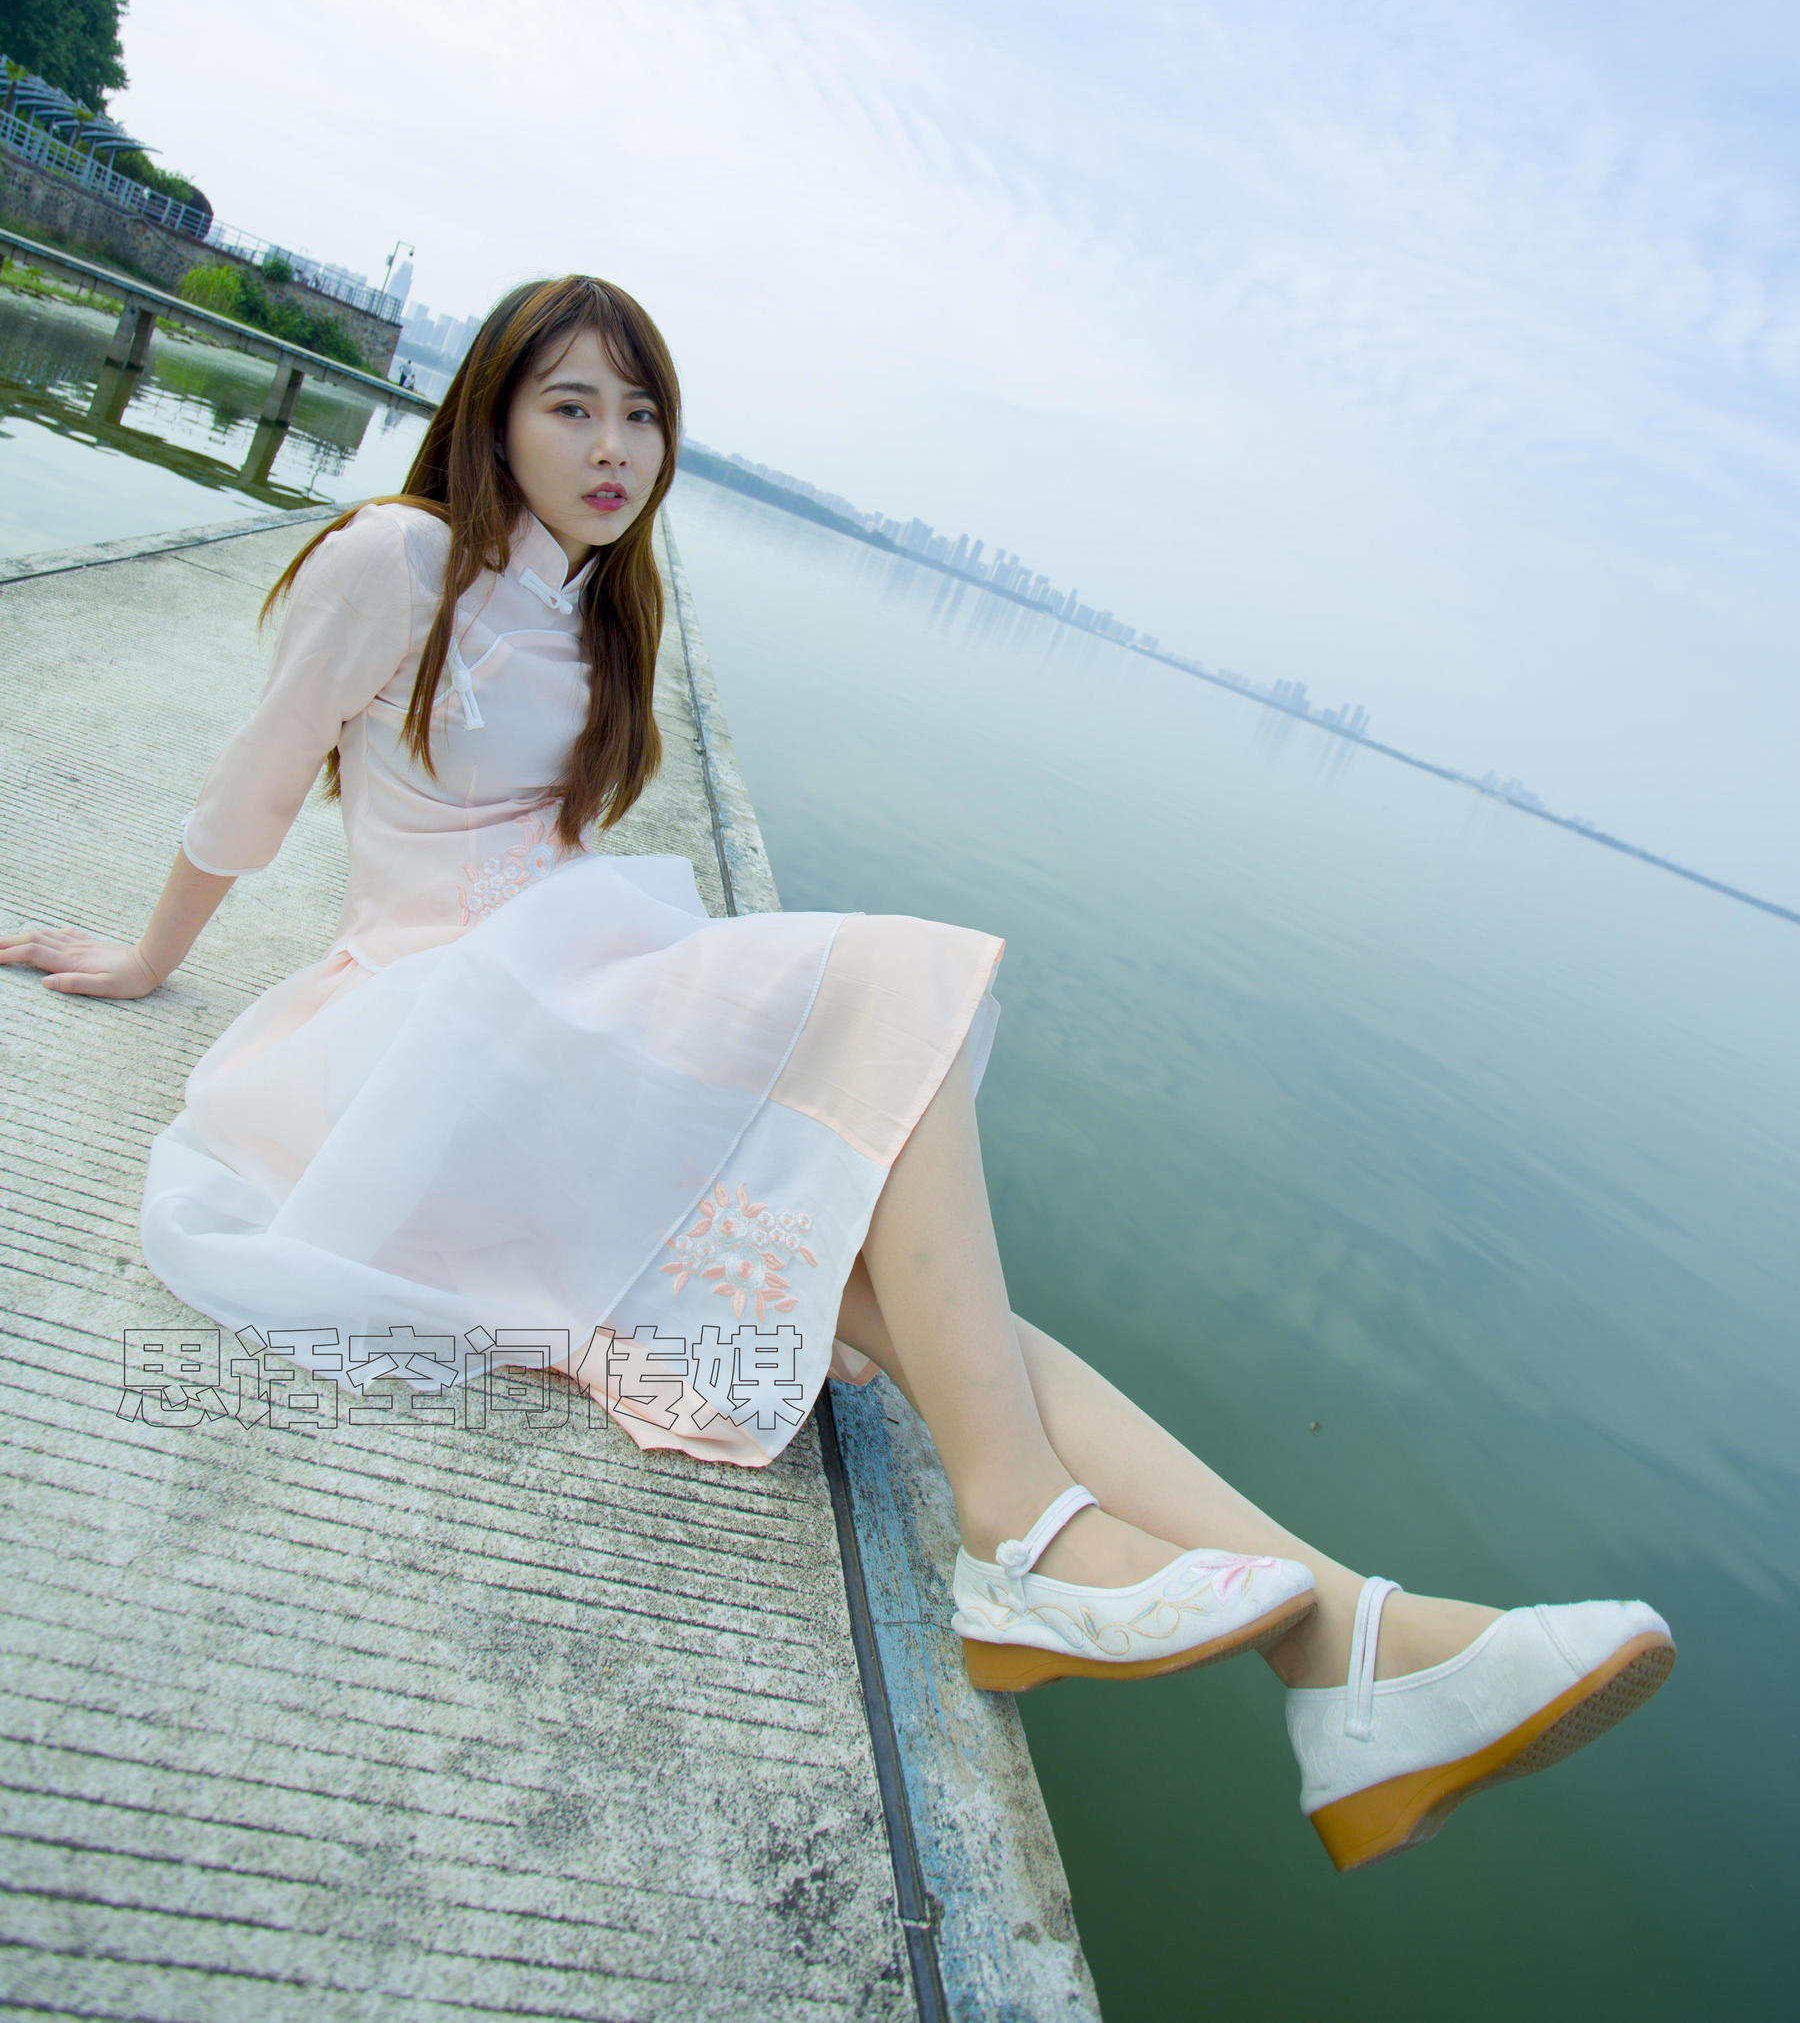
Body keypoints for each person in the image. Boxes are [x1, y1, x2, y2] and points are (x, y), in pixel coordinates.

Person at [0, 273, 1675, 1874]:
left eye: (642, 415)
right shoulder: (400, 558)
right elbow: (259, 778)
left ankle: (1351, 1642)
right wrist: (150, 956)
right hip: (427, 1030)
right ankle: (1031, 1534)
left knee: (923, 1304)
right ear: (490, 416)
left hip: (553, 1023)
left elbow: (557, 865)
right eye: (571, 407)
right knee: (885, 993)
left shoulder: (605, 610)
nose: (614, 448)